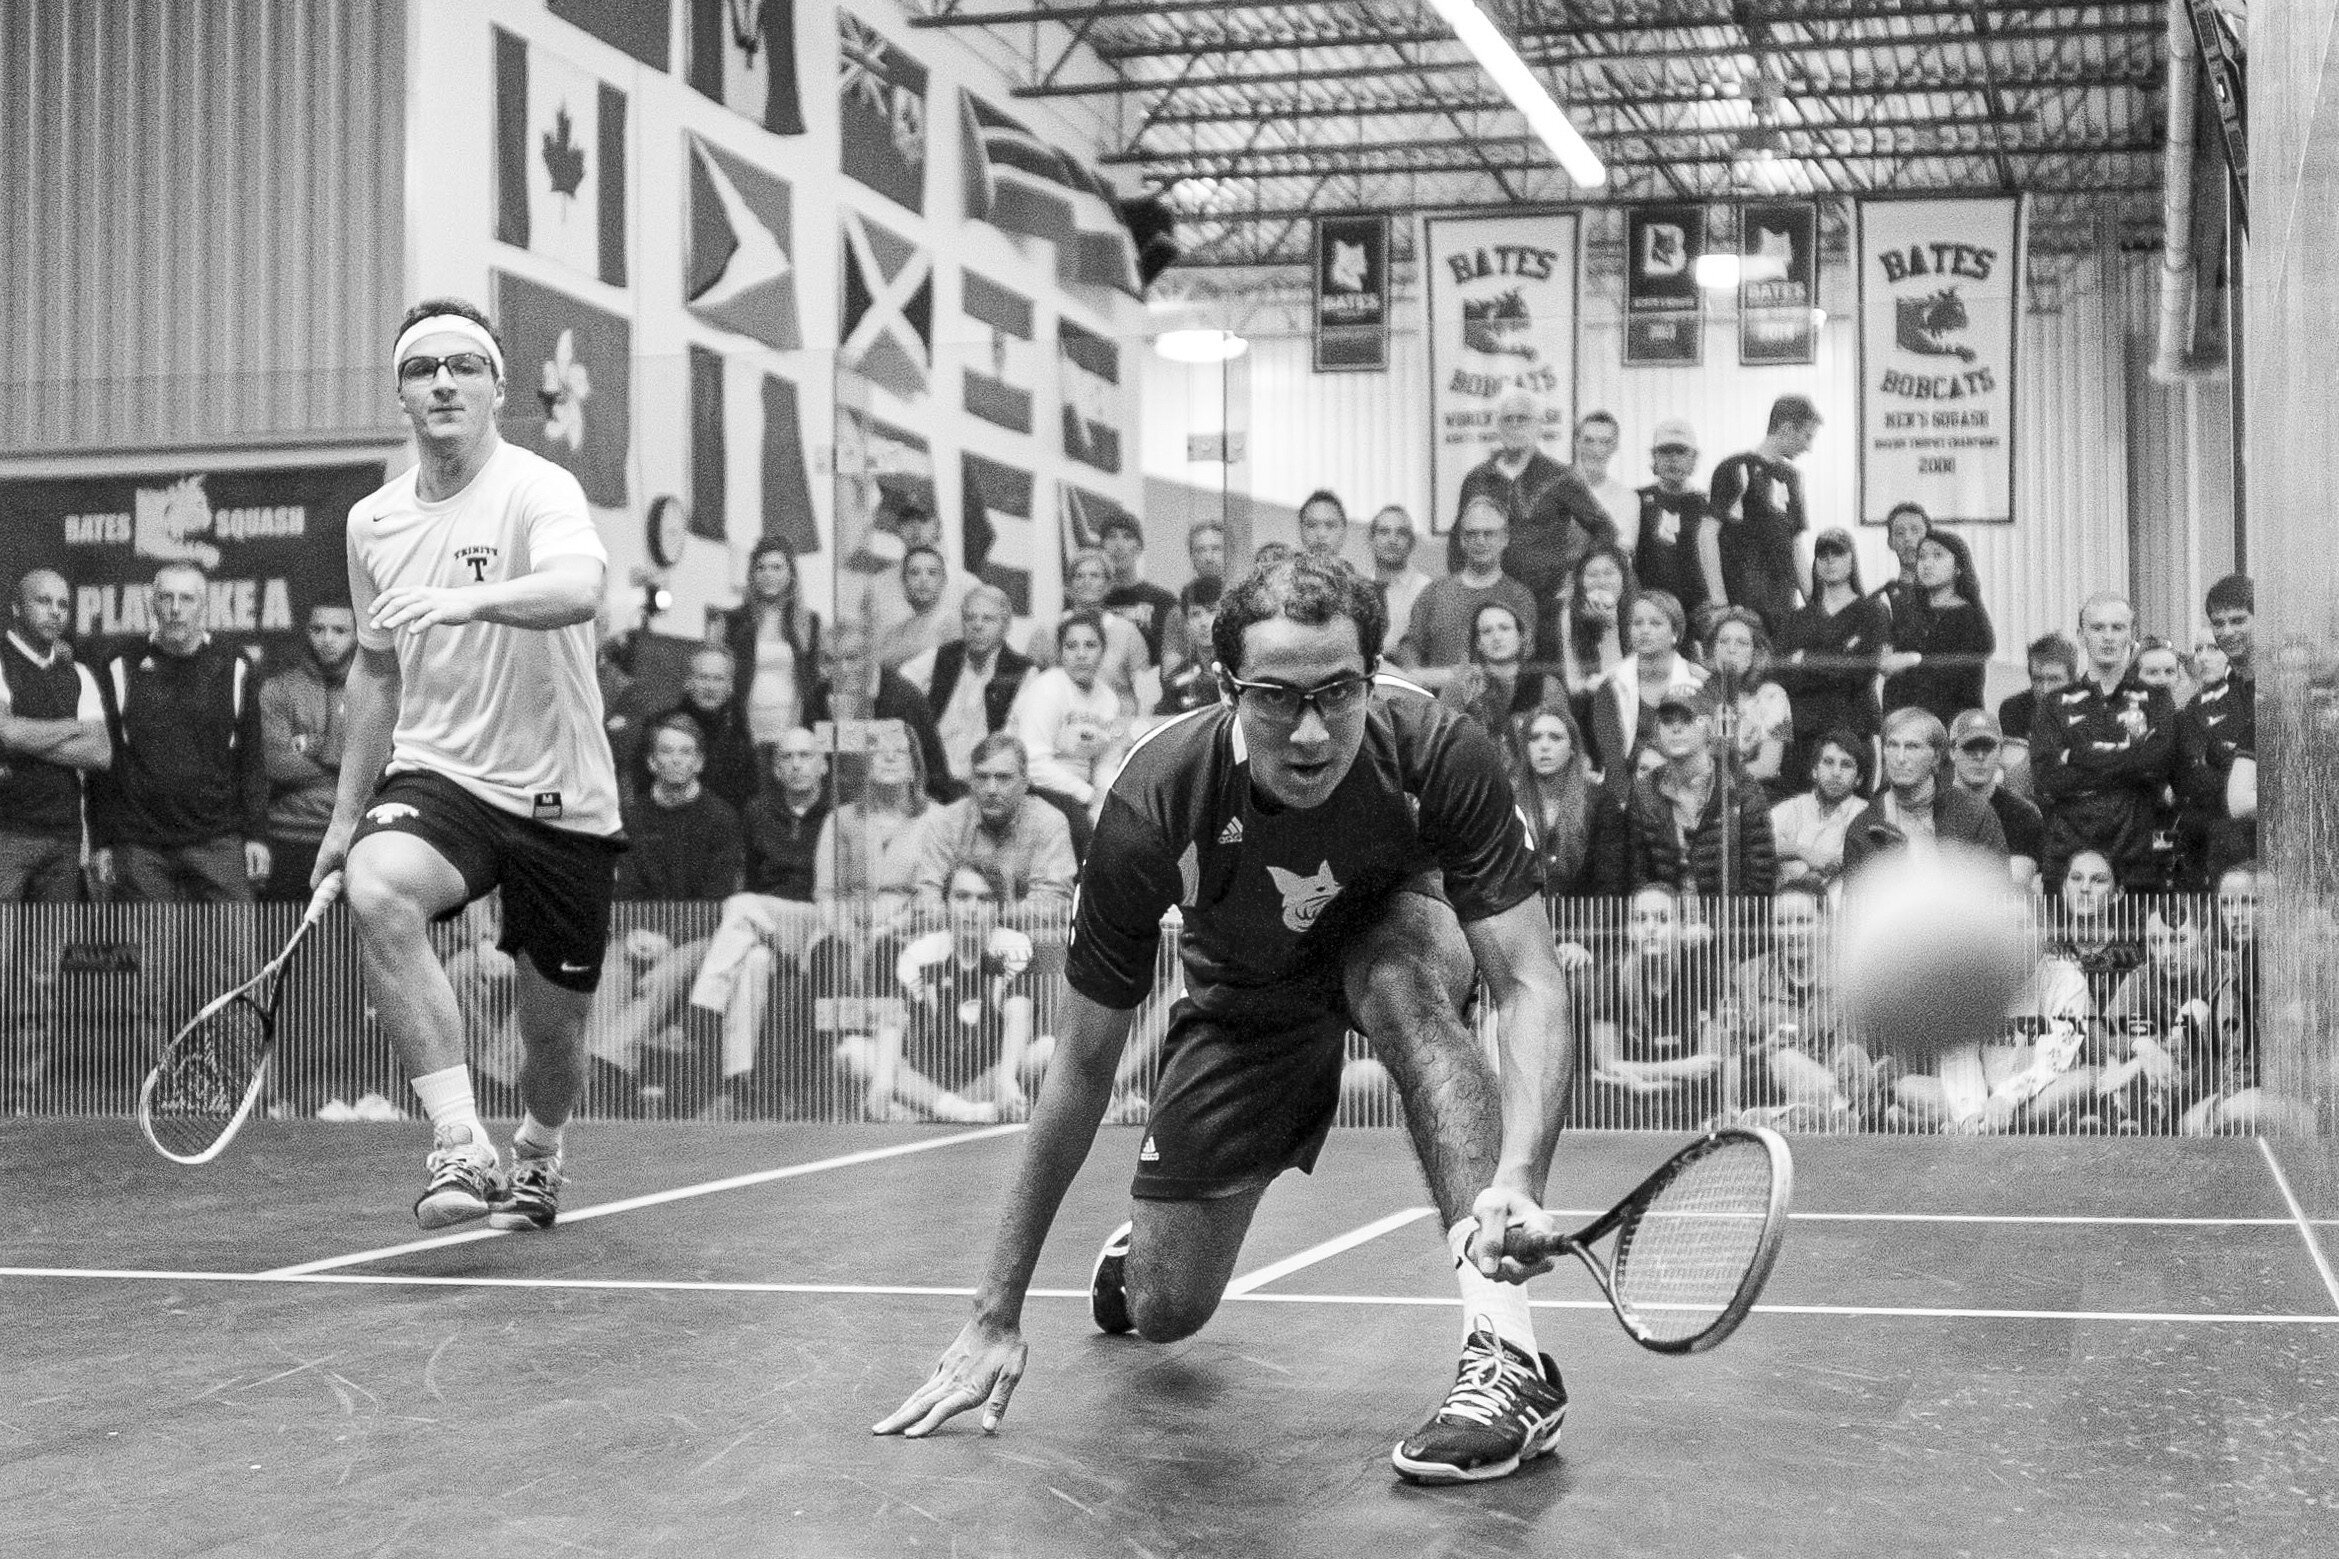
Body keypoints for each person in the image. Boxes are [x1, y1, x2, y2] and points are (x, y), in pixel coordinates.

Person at [876, 553, 1578, 1489]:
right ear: (1224, 688)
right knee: (1166, 1310)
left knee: (1401, 978)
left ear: (1373, 676)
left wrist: (1519, 1175)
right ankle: (1145, 1250)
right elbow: (1082, 1067)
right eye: (1276, 697)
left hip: (1396, 927)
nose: (1311, 730)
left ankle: (1507, 1361)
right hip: (1245, 997)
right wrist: (996, 1311)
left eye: (1338, 692)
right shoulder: (1154, 798)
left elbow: (1528, 981)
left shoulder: (1435, 750)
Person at [316, 296, 626, 1233]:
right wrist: (342, 820)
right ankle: (458, 1138)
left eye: (463, 366)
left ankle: (538, 1146)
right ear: (402, 395)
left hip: (559, 794)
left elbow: (582, 587)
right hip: (441, 774)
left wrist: (467, 603)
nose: (443, 382)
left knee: (552, 1041)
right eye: (423, 368)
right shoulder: (372, 524)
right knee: (378, 884)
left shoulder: (539, 488)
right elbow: (375, 674)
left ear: (495, 387)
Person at [90, 563, 270, 902]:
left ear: (204, 604)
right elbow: (105, 764)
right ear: (151, 602)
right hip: (139, 842)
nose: (175, 609)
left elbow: (251, 759)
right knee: (147, 956)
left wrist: (256, 834)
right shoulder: (119, 662)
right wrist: (101, 842)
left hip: (218, 838)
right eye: (166, 598)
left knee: (231, 955)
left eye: (186, 599)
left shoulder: (235, 663)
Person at [839, 861, 1050, 1124]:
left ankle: (927, 1112)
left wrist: (1006, 1079)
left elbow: (1019, 1015)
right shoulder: (920, 953)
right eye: (962, 897)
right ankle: (962, 1113)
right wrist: (883, 1080)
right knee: (853, 1050)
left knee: (1047, 1050)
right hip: (929, 1080)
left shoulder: (1016, 948)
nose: (972, 909)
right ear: (946, 904)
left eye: (984, 900)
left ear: (998, 908)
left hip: (991, 1079)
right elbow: (893, 1021)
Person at [2028, 592, 2176, 889]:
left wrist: (2079, 756)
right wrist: (2130, 759)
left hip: (2136, 852)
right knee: (2067, 937)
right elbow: (2049, 778)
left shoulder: (2156, 700)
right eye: (2097, 628)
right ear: (2082, 636)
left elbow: (2156, 763)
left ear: (2131, 635)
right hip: (2069, 851)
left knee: (2134, 936)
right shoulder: (2054, 704)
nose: (2108, 637)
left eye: (2117, 628)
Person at [1452, 388, 1616, 649]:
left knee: (1541, 681)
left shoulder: (1561, 477)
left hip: (1546, 607)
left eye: (1523, 418)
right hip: (1487, 605)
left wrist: (1577, 578)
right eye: (1508, 419)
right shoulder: (1477, 479)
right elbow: (1456, 541)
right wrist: (1460, 590)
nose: (1515, 425)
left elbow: (1604, 530)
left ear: (1539, 426)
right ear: (1498, 426)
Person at [1724, 880, 1889, 1130]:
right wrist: (1764, 1050)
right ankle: (1830, 1114)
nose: (1792, 932)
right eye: (1781, 923)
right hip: (1770, 1095)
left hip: (1844, 1097)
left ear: (1826, 924)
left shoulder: (1852, 980)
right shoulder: (1746, 977)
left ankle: (1830, 1114)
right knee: (1785, 1058)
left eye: (1802, 921)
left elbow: (1850, 1061)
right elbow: (1726, 1065)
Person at [1600, 681, 1776, 899]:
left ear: (1709, 726)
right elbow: (1637, 877)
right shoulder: (1644, 792)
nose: (1676, 728)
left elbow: (1761, 881)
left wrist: (1719, 929)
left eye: (1688, 719)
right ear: (1657, 730)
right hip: (1663, 925)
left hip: (1730, 927)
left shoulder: (1743, 790)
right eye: (1667, 721)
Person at [0, 567, 109, 902]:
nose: (55, 611)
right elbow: (6, 733)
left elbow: (101, 753)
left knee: (47, 954)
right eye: (43, 601)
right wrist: (77, 729)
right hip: (6, 833)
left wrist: (22, 734)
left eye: (63, 604)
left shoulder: (77, 674)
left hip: (64, 836)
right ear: (17, 607)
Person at [1583, 882, 1724, 1129]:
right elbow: (1608, 1063)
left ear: (1681, 927)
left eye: (1662, 919)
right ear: (1628, 929)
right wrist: (1680, 1067)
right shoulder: (1609, 979)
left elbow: (1706, 1064)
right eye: (1640, 919)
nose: (1650, 928)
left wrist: (1644, 1073)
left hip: (1687, 1099)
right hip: (1627, 1098)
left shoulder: (1706, 978)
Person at [909, 732, 1078, 924]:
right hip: (955, 937)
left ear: (1025, 783)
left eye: (1003, 778)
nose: (991, 789)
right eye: (982, 777)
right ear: (970, 782)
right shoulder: (947, 821)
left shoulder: (1048, 822)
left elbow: (1053, 903)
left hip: (1025, 939)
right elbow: (926, 894)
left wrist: (982, 918)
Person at [1775, 527, 1888, 788]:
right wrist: (1837, 661)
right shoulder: (1796, 618)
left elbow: (1861, 672)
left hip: (1853, 733)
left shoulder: (1872, 612)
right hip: (1802, 739)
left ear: (1851, 559)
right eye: (1822, 554)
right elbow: (1780, 673)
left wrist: (1804, 661)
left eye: (1838, 553)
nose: (1829, 560)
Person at [1839, 708, 2008, 880]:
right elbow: (1856, 904)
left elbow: (1998, 892)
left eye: (1912, 747)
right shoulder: (1863, 828)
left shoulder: (1974, 814)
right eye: (1892, 745)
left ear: (1936, 757)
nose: (1900, 757)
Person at [804, 619, 959, 807]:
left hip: (906, 805)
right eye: (830, 660)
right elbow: (812, 761)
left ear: (872, 656)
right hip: (841, 805)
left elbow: (923, 772)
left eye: (852, 658)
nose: (842, 670)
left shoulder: (903, 698)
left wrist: (840, 729)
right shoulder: (818, 696)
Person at [258, 603, 355, 900]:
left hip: (355, 833)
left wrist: (311, 746)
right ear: (305, 632)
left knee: (352, 942)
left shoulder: (377, 692)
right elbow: (275, 764)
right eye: (318, 629)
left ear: (357, 634)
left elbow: (382, 768)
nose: (327, 638)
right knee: (283, 938)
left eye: (339, 630)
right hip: (288, 832)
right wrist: (345, 760)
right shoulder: (278, 689)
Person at [1011, 610, 1129, 853]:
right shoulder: (1047, 689)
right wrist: (1086, 795)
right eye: (1071, 646)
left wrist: (1104, 801)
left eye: (1090, 645)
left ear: (1103, 651)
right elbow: (1032, 763)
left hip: (1082, 789)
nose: (1081, 654)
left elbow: (1106, 763)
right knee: (1077, 825)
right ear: (1060, 652)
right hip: (1034, 785)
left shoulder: (1108, 700)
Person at [1395, 496, 1540, 689]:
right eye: (1472, 534)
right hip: (1439, 710)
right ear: (1462, 540)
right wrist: (1419, 678)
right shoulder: (1434, 593)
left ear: (1505, 539)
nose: (1480, 541)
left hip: (1500, 709)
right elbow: (1410, 649)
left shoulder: (1519, 597)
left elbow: (1523, 659)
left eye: (1489, 534)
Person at [1706, 395, 1820, 636]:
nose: (1808, 447)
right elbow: (1706, 534)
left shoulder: (1792, 477)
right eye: (1807, 436)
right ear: (1787, 428)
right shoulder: (1736, 468)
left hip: (1782, 606)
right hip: (1743, 605)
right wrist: (1718, 601)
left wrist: (1815, 605)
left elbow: (1796, 546)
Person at [901, 584, 1033, 786]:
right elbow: (901, 684)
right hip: (933, 776)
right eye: (970, 618)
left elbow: (1015, 742)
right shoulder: (943, 656)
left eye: (988, 619)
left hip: (986, 781)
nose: (977, 625)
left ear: (1006, 626)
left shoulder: (1022, 672)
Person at [2174, 574, 2256, 889]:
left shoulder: (2285, 688)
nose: (2228, 632)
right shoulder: (2201, 706)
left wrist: (2226, 763)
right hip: (2229, 857)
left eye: (2238, 620)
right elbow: (2198, 784)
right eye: (2218, 623)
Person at [1585, 587, 1705, 794]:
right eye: (1637, 623)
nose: (1645, 630)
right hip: (1627, 795)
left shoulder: (1700, 684)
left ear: (1675, 633)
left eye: (1655, 623)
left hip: (1687, 792)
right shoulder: (1610, 687)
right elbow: (1613, 761)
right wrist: (1626, 804)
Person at [615, 717, 744, 901]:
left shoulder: (722, 817)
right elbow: (628, 891)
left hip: (705, 923)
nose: (676, 760)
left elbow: (719, 892)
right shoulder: (630, 819)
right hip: (643, 925)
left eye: (685, 752)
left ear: (699, 762)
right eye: (666, 751)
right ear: (651, 761)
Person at [1878, 529, 1994, 729]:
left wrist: (1914, 659)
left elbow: (1961, 669)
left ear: (1958, 567)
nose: (1927, 563)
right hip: (1902, 725)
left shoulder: (1969, 616)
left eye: (1938, 555)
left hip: (1948, 725)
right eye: (1921, 557)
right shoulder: (1908, 612)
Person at [722, 537, 822, 752]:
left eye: (777, 567)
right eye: (761, 568)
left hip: (793, 725)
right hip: (747, 727)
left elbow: (812, 679)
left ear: (791, 574)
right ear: (752, 575)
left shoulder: (808, 621)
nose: (768, 574)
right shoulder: (736, 620)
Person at [633, 645, 759, 809]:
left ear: (730, 686)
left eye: (718, 679)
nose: (710, 687)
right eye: (703, 677)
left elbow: (748, 794)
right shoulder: (659, 726)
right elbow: (643, 789)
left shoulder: (739, 732)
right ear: (688, 682)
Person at [1026, 549, 1150, 715]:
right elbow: (1029, 686)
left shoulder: (1127, 632)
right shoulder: (1047, 632)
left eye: (1094, 576)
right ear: (1068, 586)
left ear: (1108, 585)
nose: (1087, 581)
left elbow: (1145, 694)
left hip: (1116, 727)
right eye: (1079, 576)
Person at [1509, 706, 1605, 903]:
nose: (1544, 746)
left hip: (1584, 927)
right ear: (1525, 749)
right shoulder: (1507, 806)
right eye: (1534, 738)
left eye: (1555, 737)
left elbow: (1608, 883)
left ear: (1572, 748)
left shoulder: (1599, 803)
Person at [1439, 600, 1563, 748]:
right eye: (1487, 631)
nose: (1496, 637)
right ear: (1478, 643)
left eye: (1504, 628)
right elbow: (1441, 747)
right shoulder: (1460, 687)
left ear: (1521, 636)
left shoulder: (1547, 686)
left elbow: (1562, 741)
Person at [1947, 710, 2045, 888]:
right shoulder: (1932, 807)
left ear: (2000, 752)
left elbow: (2015, 885)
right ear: (1952, 751)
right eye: (1970, 747)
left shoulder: (2022, 815)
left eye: (1988, 747)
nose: (1980, 756)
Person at [1703, 608, 1794, 798]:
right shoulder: (1698, 692)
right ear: (1714, 649)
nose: (1731, 649)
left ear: (1755, 653)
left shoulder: (1773, 696)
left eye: (1742, 643)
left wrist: (1718, 781)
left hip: (1754, 793)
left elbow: (1769, 766)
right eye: (1723, 641)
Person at [864, 504, 968, 667]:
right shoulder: (877, 585)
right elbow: (869, 649)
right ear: (898, 528)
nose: (916, 529)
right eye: (907, 522)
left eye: (924, 520)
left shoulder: (967, 586)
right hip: (893, 681)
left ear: (937, 526)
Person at [1631, 419, 1712, 626]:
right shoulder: (1635, 501)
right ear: (1654, 457)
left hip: (1699, 614)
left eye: (1680, 452)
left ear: (1694, 458)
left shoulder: (1708, 505)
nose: (1673, 459)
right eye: (1665, 452)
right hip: (1649, 613)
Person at [1767, 728, 1868, 889]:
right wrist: (1800, 852)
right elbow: (1752, 843)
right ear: (1814, 771)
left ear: (1858, 780)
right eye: (1828, 762)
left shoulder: (1866, 815)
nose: (1836, 773)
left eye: (1846, 765)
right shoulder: (1793, 808)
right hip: (1785, 907)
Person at [1995, 631, 2078, 805]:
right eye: (2038, 679)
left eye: (2055, 679)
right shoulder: (2014, 708)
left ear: (2073, 680)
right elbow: (2014, 781)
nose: (2046, 689)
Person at [1551, 544, 1635, 705]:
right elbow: (1573, 683)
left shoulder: (1639, 611)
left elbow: (1623, 685)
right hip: (1591, 702)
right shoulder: (1570, 614)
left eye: (1609, 573)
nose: (1601, 582)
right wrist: (1589, 686)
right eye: (1592, 575)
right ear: (1581, 581)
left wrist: (1611, 627)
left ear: (1623, 578)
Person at [1099, 513, 1180, 667]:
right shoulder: (1093, 601)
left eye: (1127, 537)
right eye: (1112, 536)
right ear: (1102, 546)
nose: (1119, 545)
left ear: (1139, 547)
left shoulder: (1164, 601)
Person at [873, 546, 962, 672]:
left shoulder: (954, 625)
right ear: (904, 581)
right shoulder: (896, 633)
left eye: (932, 573)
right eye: (914, 572)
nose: (923, 580)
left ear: (943, 580)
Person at [1158, 521, 1229, 673]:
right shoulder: (1178, 614)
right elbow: (1171, 673)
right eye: (1201, 550)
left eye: (1216, 549)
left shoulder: (1242, 604)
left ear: (1229, 553)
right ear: (1192, 556)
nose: (1209, 557)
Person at [1366, 505, 1433, 658]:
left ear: (1412, 542)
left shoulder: (1427, 590)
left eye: (1401, 533)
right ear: (1371, 539)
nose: (1392, 540)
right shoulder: (1358, 588)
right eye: (1384, 532)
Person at [1150, 577, 1222, 718]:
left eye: (1212, 611)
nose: (1203, 622)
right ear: (1186, 623)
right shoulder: (1178, 680)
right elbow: (1163, 723)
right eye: (1195, 614)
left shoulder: (1244, 671)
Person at [1570, 411, 1635, 537]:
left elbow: (1621, 552)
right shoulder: (1551, 490)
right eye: (1589, 440)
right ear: (1576, 443)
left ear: (1615, 446)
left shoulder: (1627, 499)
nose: (1596, 449)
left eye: (1605, 442)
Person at [1872, 501, 1931, 632]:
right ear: (1890, 542)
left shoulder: (1948, 596)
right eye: (1899, 533)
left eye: (1915, 530)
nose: (1908, 538)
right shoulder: (1881, 601)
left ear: (1929, 538)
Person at [1295, 488, 1350, 562]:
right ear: (1301, 530)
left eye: (1330, 525)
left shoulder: (1353, 573)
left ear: (1343, 531)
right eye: (1311, 525)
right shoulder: (1281, 572)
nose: (1321, 534)